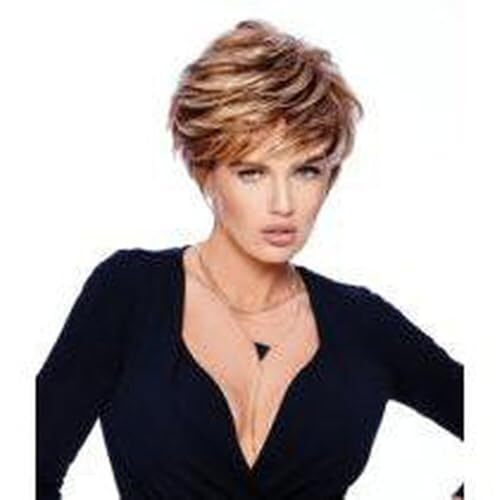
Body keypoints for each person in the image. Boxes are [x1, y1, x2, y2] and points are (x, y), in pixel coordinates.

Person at [36, 19, 464, 499]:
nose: (283, 204)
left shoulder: (363, 325)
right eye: (252, 172)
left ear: (331, 176)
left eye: (306, 171)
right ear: (205, 171)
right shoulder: (129, 294)